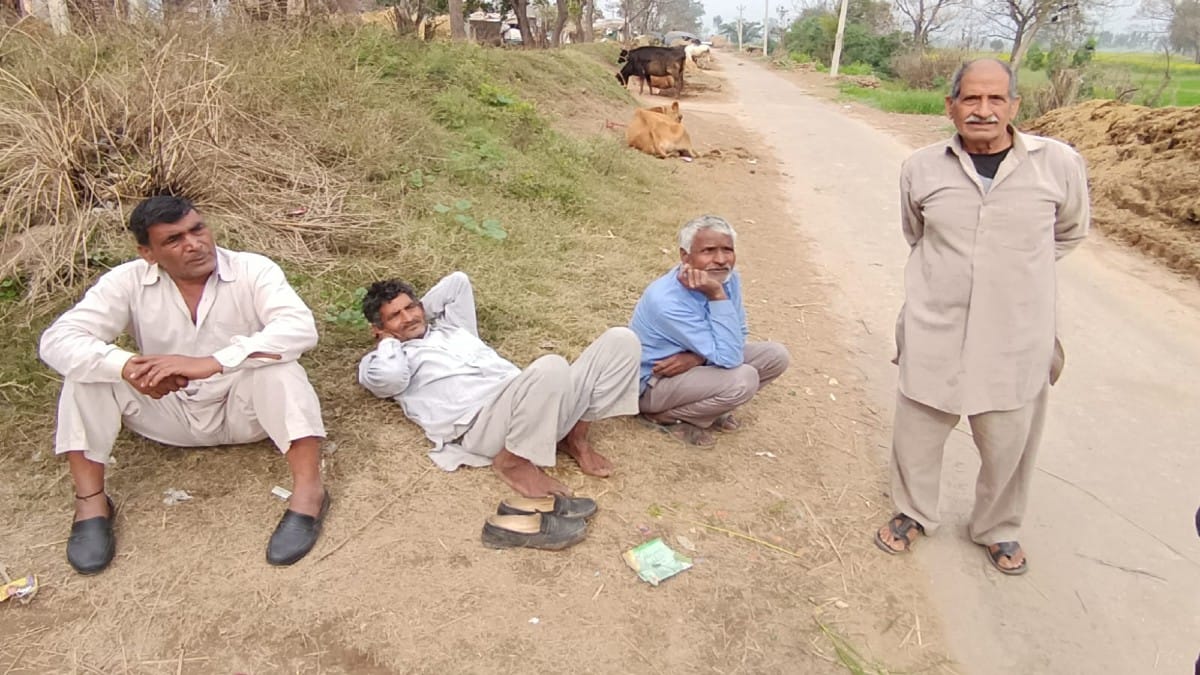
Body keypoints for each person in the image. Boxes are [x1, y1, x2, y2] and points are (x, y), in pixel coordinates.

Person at [874, 59, 1090, 575]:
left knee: (1009, 439)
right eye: (971, 99)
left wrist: (1008, 273)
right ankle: (913, 513)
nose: (983, 111)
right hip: (936, 322)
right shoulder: (921, 168)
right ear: (951, 106)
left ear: (1015, 106)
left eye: (996, 100)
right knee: (918, 428)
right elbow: (916, 233)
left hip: (1017, 332)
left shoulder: (1057, 164)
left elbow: (1069, 231)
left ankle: (997, 528)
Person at [39, 195, 330, 574]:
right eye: (174, 240)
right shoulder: (126, 281)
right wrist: (128, 367)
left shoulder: (252, 270)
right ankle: (91, 502)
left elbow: (299, 329)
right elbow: (57, 339)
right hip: (167, 409)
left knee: (277, 365)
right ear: (148, 252)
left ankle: (309, 492)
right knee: (86, 376)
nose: (195, 244)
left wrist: (212, 362)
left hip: (244, 409)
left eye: (198, 229)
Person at [357, 272, 641, 498]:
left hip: (534, 404)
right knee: (551, 366)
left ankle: (574, 438)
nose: (408, 317)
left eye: (411, 307)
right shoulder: (381, 362)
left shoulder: (454, 328)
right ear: (378, 328)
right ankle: (512, 461)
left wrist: (418, 315)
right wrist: (390, 339)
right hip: (484, 426)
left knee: (621, 340)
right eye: (395, 315)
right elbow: (391, 380)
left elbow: (458, 282)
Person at [629, 215, 790, 447]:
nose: (721, 259)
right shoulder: (667, 300)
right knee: (744, 379)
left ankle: (706, 409)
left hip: (699, 363)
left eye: (727, 250)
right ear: (685, 256)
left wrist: (696, 358)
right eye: (708, 251)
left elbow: (739, 333)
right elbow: (731, 357)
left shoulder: (728, 280)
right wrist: (716, 295)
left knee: (776, 356)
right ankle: (667, 415)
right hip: (655, 383)